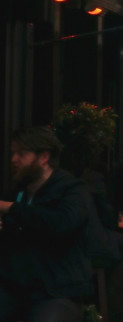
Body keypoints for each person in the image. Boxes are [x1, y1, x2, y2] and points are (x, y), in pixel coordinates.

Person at [0, 126, 92, 322]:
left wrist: (12, 209)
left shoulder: (72, 190)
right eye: (13, 153)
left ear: (44, 157)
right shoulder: (18, 192)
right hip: (15, 288)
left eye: (21, 154)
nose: (13, 159)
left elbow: (61, 223)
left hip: (56, 292)